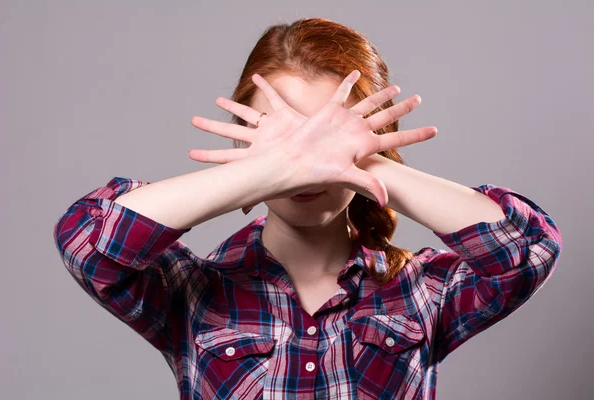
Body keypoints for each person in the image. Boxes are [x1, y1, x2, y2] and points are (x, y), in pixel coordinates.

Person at [53, 17, 563, 400]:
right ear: (243, 141)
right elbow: (90, 240)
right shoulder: (189, 289)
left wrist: (363, 163)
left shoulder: (424, 290)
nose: (309, 163)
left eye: (329, 135)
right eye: (284, 137)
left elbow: (529, 249)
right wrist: (264, 169)